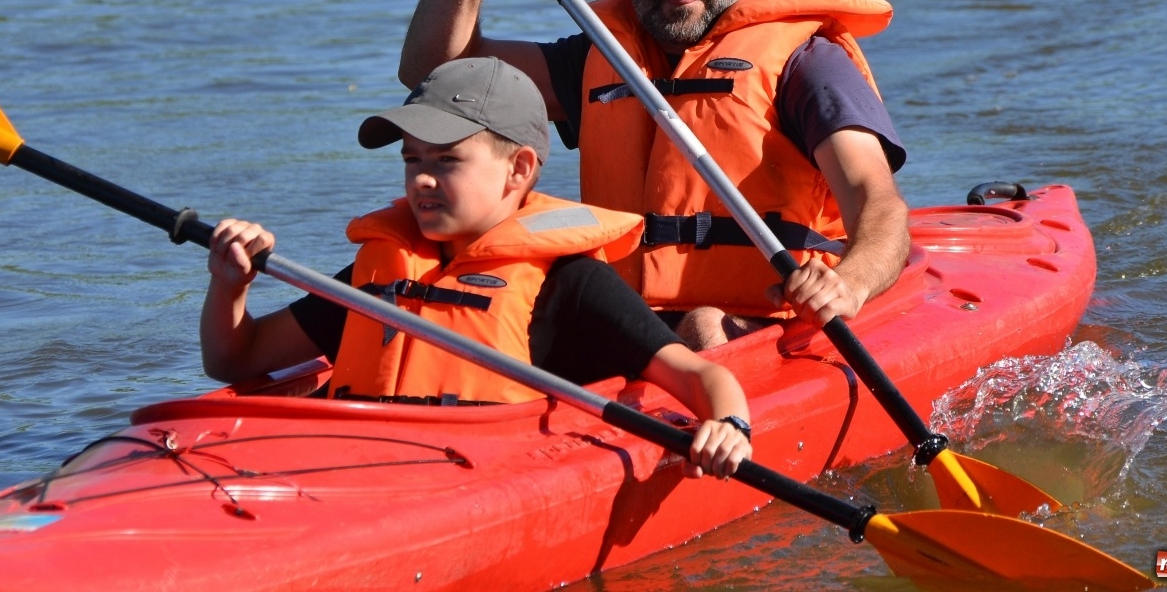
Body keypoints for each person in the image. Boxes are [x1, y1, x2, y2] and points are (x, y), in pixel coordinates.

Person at [398, 0, 911, 349]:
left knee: (704, 327)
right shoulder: (598, 59)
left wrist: (849, 284)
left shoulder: (807, 62)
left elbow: (877, 201)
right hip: (625, 322)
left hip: (760, 321)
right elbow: (435, 73)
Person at [198, 56, 753, 479]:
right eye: (411, 159)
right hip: (360, 469)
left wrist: (729, 427)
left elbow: (703, 376)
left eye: (446, 160)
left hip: (479, 475)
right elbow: (236, 358)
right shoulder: (382, 272)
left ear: (519, 170)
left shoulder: (573, 283)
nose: (420, 178)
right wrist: (231, 287)